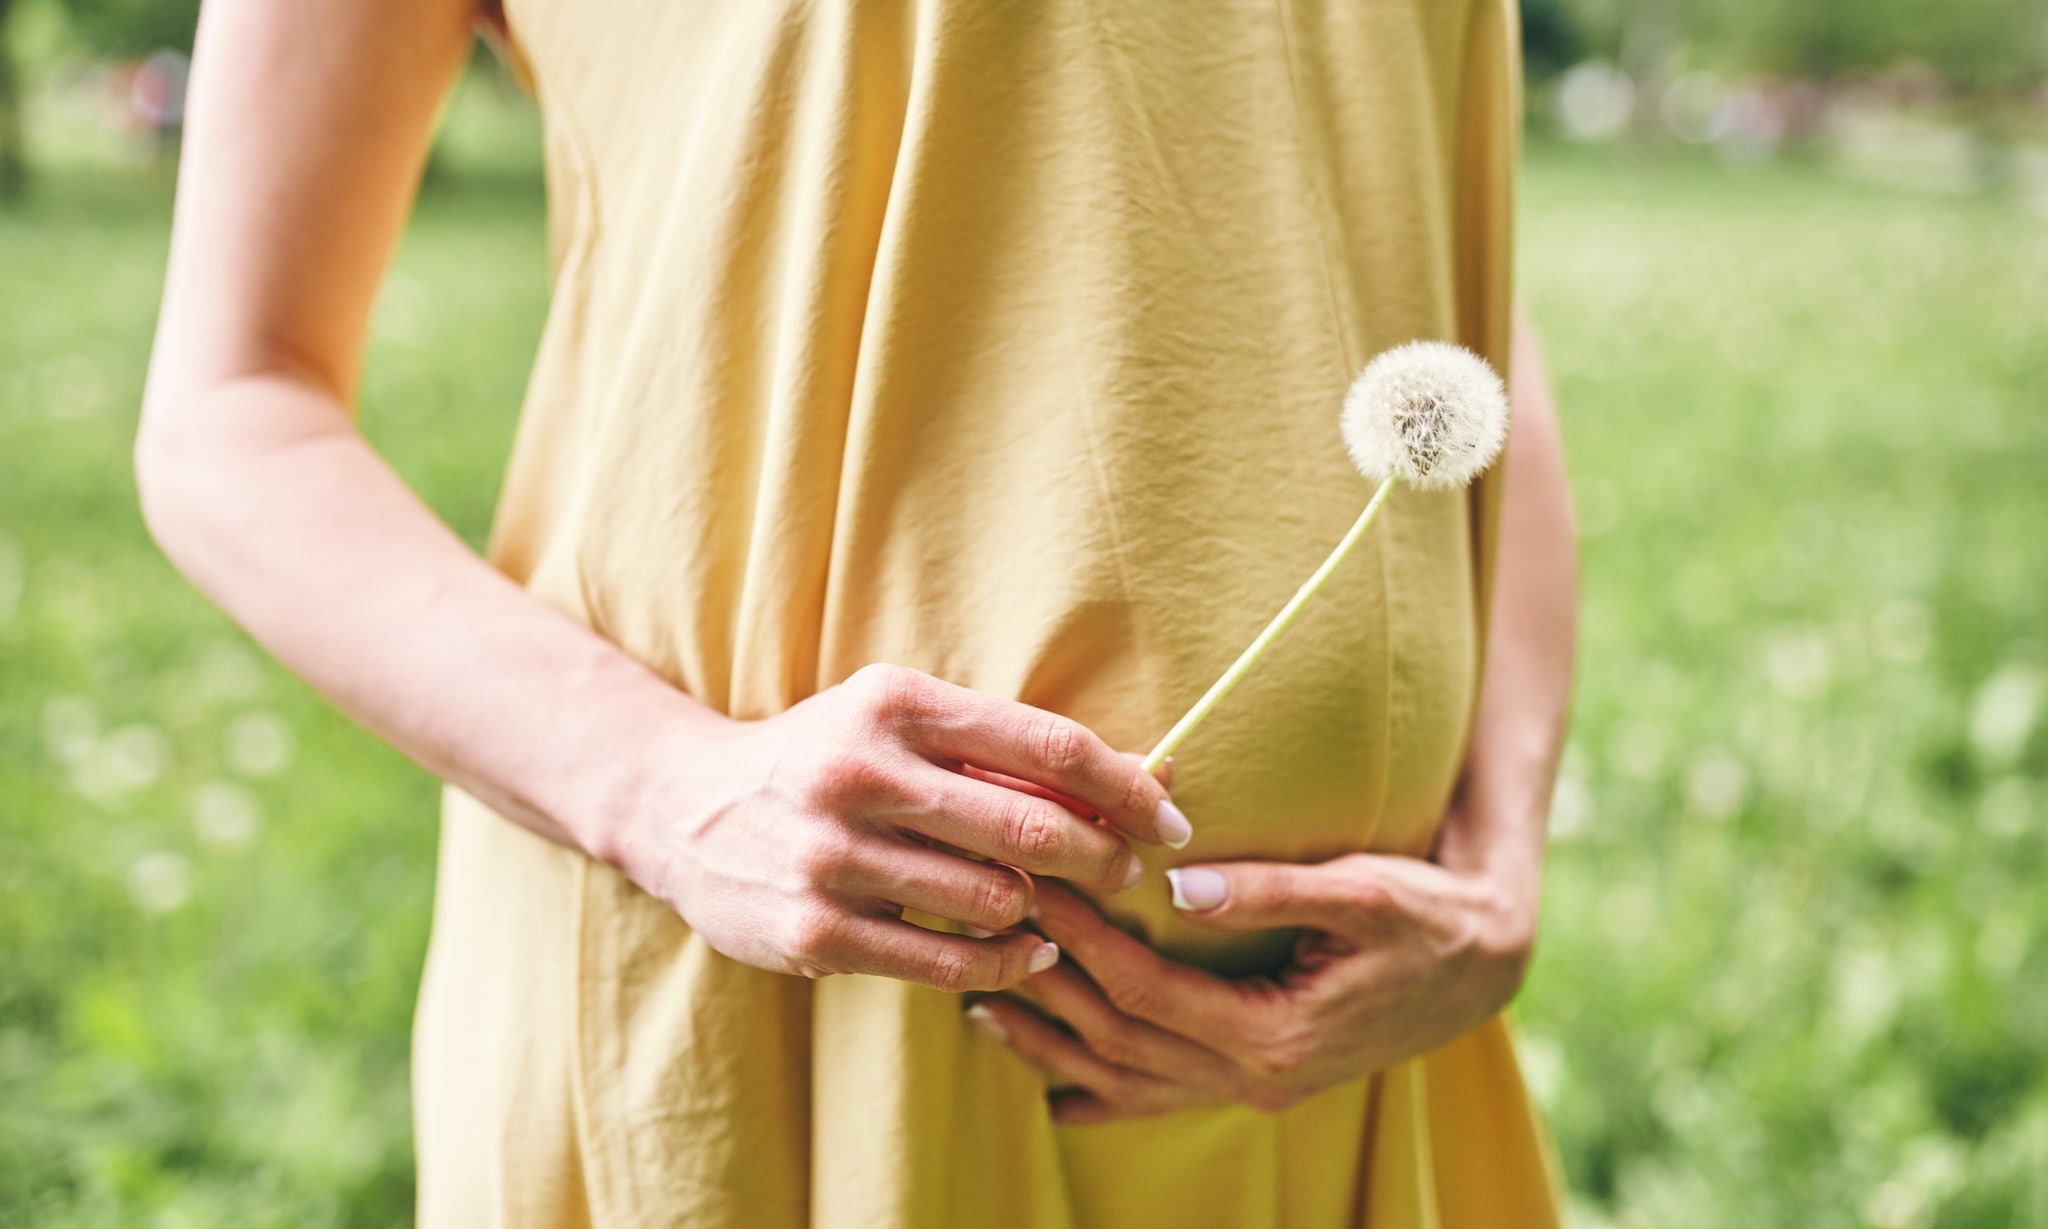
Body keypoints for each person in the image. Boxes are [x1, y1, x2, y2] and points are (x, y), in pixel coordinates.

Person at [137, 0, 1578, 1224]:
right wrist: (665, 787)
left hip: (1337, 1051)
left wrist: (1498, 861)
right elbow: (232, 409)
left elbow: (1433, 277)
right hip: (778, 1016)